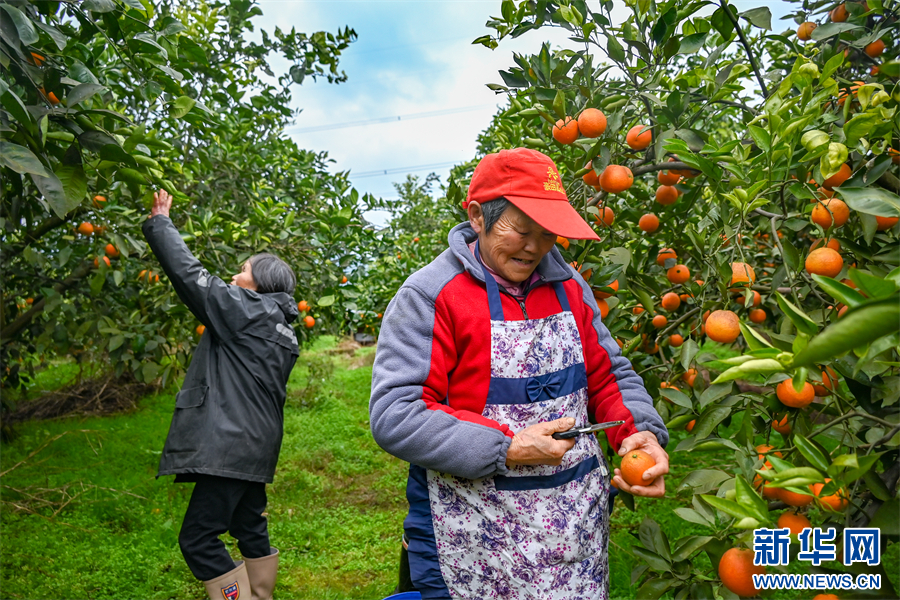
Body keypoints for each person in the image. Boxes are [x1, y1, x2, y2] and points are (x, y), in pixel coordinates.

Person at [369, 148, 669, 600]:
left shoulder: (569, 286)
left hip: (573, 531)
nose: (535, 247)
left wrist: (637, 433)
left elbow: (608, 377)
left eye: (547, 234)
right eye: (521, 230)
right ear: (476, 216)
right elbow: (397, 414)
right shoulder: (432, 296)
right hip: (472, 532)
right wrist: (506, 447)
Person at [143, 189, 299, 600]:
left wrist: (161, 223)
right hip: (256, 447)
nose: (233, 277)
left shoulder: (249, 311)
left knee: (198, 539)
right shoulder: (283, 329)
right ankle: (260, 595)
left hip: (230, 446)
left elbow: (193, 278)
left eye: (242, 270)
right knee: (249, 528)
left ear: (260, 284)